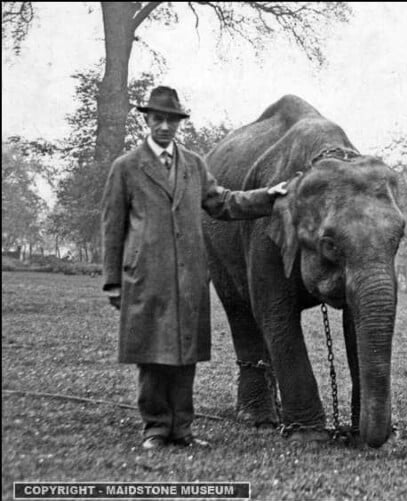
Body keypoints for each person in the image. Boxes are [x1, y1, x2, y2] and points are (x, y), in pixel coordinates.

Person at [101, 86, 287, 451]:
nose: (165, 127)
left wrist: (269, 195)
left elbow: (223, 204)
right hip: (146, 278)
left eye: (171, 120)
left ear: (178, 123)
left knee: (185, 356)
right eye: (158, 119)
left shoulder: (194, 165)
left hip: (189, 278)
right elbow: (112, 228)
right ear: (147, 120)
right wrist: (113, 283)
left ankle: (182, 430)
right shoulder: (125, 168)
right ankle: (155, 428)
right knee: (152, 355)